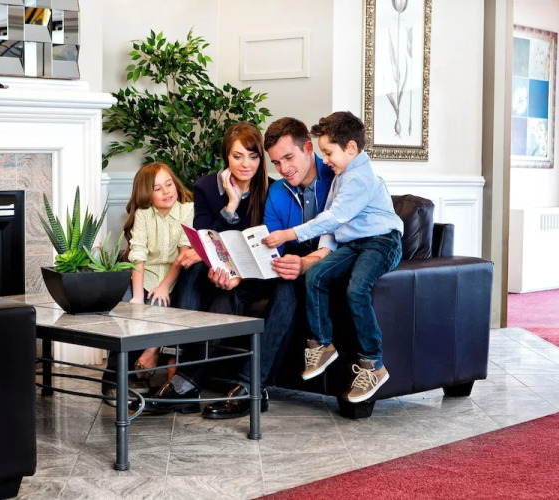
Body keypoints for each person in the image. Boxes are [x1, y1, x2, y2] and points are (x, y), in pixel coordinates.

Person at [146, 121, 298, 418]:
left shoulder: (272, 190)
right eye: (237, 156)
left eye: (253, 157)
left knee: (230, 296)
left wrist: (237, 275)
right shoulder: (206, 187)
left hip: (254, 273)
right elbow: (205, 237)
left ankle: (187, 383)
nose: (246, 164)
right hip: (218, 270)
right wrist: (231, 205)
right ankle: (186, 381)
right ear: (226, 156)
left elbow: (269, 244)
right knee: (192, 267)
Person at [198, 117, 338, 419]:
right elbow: (272, 250)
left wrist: (305, 263)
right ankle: (189, 377)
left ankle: (249, 387)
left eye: (289, 158)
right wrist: (239, 275)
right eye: (276, 162)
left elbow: (346, 239)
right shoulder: (278, 192)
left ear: (308, 148)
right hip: (288, 262)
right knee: (232, 290)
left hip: (327, 264)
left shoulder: (336, 177)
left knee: (288, 287)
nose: (284, 169)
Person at [263, 111, 404, 403]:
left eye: (328, 153)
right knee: (316, 275)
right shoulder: (342, 175)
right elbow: (333, 224)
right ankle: (322, 345)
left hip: (382, 241)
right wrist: (321, 253)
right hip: (354, 243)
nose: (325, 160)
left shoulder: (360, 178)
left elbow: (334, 216)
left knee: (357, 289)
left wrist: (290, 234)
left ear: (350, 148)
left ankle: (373, 364)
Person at [101, 161, 194, 405]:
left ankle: (148, 357)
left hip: (175, 277)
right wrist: (137, 297)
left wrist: (164, 286)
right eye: (157, 188)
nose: (166, 191)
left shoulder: (187, 210)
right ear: (146, 194)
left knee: (159, 303)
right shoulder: (143, 214)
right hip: (145, 275)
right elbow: (138, 256)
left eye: (169, 184)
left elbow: (183, 254)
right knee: (127, 313)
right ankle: (113, 380)